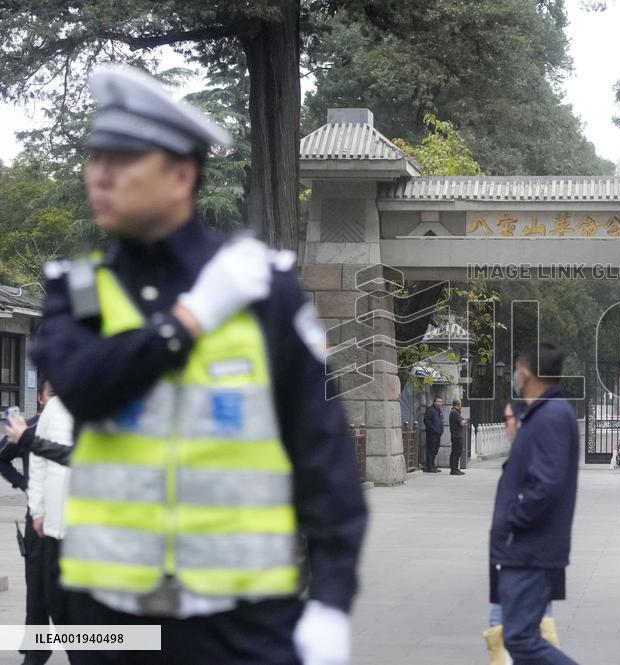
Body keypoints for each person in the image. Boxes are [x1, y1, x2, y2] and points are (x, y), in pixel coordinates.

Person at [31, 64, 368, 665]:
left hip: (242, 619)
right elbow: (82, 389)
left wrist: (332, 599)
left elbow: (324, 452)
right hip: (111, 619)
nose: (100, 175)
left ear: (181, 174)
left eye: (123, 158)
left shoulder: (262, 288)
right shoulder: (80, 288)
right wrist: (188, 323)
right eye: (94, 157)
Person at [489, 342, 579, 664]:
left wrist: (514, 517)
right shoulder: (544, 413)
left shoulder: (550, 416)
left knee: (520, 638)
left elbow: (547, 485)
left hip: (529, 548)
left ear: (526, 374)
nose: (515, 376)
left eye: (517, 370)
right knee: (520, 637)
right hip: (525, 546)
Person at [484, 402, 558, 664]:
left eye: (507, 419)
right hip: (512, 565)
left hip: (523, 567)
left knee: (512, 638)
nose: (505, 426)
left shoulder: (533, 463)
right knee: (506, 638)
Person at [0, 384, 52, 665]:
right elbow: (2, 458)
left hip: (78, 525)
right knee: (37, 591)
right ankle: (37, 649)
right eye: (51, 394)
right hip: (39, 525)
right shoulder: (27, 428)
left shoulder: (82, 425)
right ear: (40, 397)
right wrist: (23, 483)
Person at [24, 391, 76, 635]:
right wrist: (38, 510)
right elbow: (38, 463)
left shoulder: (110, 397)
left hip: (95, 532)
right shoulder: (53, 409)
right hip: (54, 526)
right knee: (55, 602)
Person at [422, 395, 444, 473]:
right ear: (434, 402)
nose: (440, 403)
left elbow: (441, 422)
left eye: (441, 402)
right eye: (438, 401)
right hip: (431, 435)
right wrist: (433, 430)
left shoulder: (439, 411)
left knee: (435, 451)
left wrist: (441, 430)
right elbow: (426, 421)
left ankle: (433, 466)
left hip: (438, 434)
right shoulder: (430, 410)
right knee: (430, 450)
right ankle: (429, 467)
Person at [449, 397, 467, 475]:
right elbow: (462, 422)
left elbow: (462, 421)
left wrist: (463, 421)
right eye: (460, 404)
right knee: (456, 452)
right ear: (458, 404)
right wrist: (463, 421)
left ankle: (455, 468)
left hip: (457, 435)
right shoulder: (454, 412)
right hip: (456, 436)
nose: (461, 405)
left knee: (457, 452)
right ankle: (453, 469)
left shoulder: (456, 412)